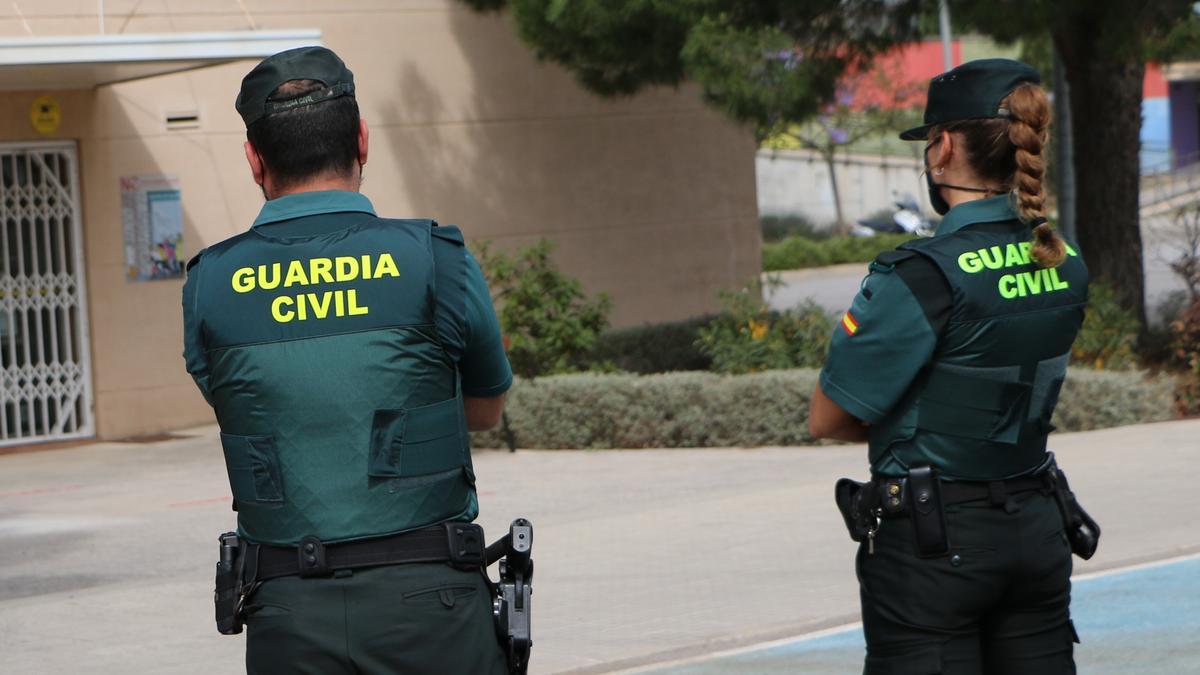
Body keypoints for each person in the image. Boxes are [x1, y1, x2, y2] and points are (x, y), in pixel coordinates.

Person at [182, 46, 513, 674]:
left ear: (254, 159)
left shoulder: (210, 284)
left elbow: (254, 404)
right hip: (432, 608)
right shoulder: (435, 258)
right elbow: (487, 407)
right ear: (363, 140)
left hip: (288, 615)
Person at [809, 59, 1095, 674]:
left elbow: (829, 417)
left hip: (935, 548)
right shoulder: (1064, 258)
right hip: (1037, 528)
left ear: (941, 149)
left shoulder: (922, 274)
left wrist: (914, 424)